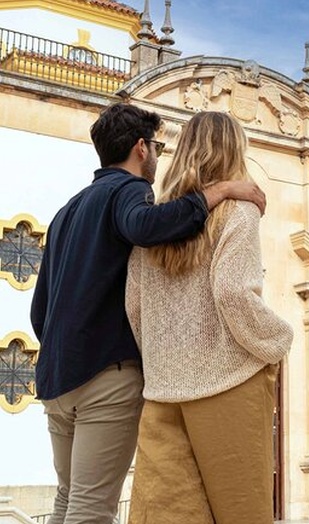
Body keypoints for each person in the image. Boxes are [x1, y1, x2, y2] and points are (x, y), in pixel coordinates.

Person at [29, 103, 266, 524]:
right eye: (156, 145)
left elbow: (40, 308)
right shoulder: (128, 191)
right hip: (105, 376)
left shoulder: (66, 211)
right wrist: (223, 190)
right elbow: (144, 226)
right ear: (141, 148)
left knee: (67, 501)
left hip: (56, 381)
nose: (159, 155)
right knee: (91, 509)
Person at [124, 111, 293, 524]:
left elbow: (134, 303)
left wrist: (161, 356)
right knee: (242, 510)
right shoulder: (240, 208)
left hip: (164, 387)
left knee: (164, 514)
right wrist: (277, 340)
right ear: (235, 150)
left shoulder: (154, 217)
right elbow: (234, 291)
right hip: (228, 381)